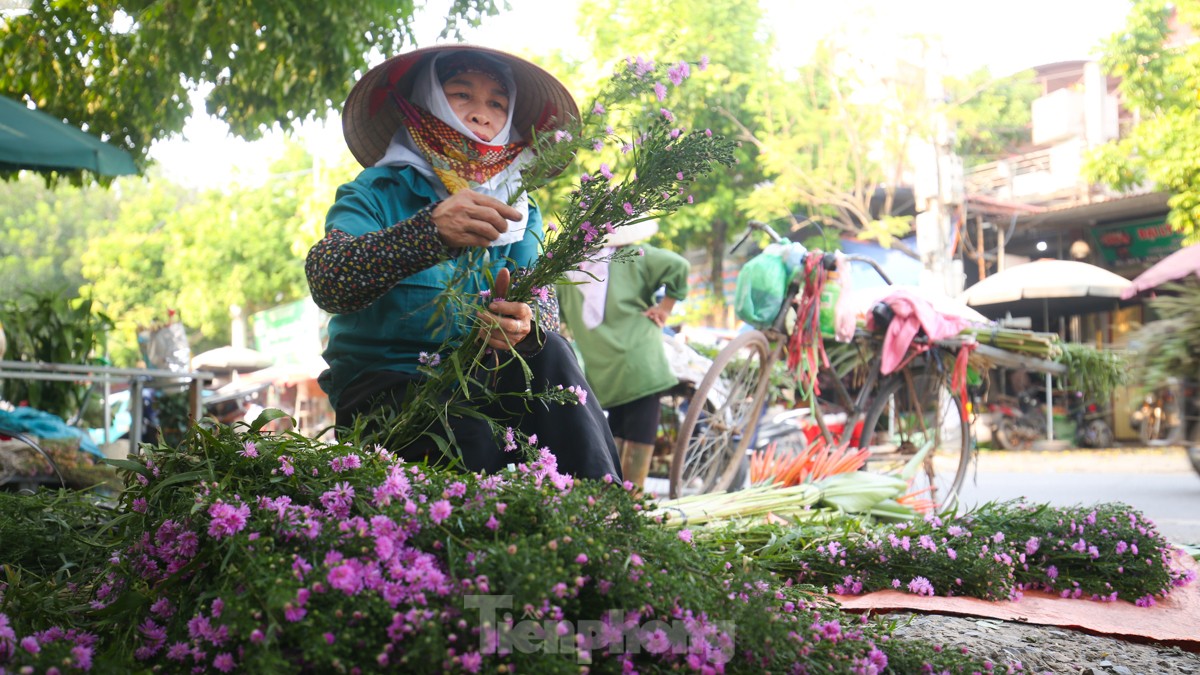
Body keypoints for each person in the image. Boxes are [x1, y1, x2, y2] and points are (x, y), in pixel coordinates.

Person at [305, 45, 620, 480]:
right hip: (388, 396)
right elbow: (329, 279)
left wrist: (521, 325)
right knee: (472, 437)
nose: (481, 114)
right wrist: (428, 232)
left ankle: (605, 511)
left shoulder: (518, 209)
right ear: (428, 101)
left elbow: (544, 308)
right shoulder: (374, 193)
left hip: (486, 384)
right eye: (461, 95)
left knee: (553, 354)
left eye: (497, 103)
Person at [557, 220, 690, 488]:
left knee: (614, 434)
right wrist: (664, 308)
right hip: (642, 364)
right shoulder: (633, 256)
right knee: (639, 435)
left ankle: (610, 503)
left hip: (603, 371)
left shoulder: (566, 273)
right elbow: (680, 266)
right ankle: (631, 505)